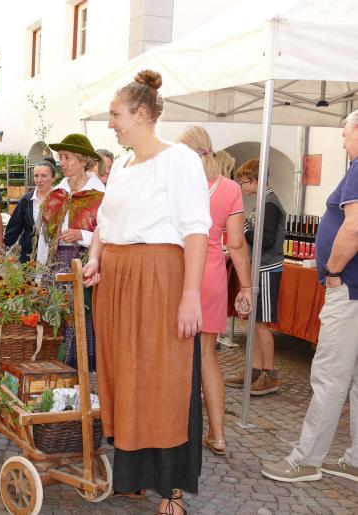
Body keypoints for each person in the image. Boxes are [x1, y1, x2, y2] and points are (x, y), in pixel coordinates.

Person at [82, 70, 210, 514]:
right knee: (125, 376)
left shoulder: (179, 160)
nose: (110, 124)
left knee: (162, 378)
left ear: (140, 114)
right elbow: (105, 223)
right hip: (117, 279)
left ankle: (172, 489)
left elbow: (196, 231)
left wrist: (190, 296)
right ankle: (134, 476)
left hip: (159, 278)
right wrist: (96, 258)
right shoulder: (121, 166)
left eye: (115, 115)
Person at [261, 110, 358, 484]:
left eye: (345, 134)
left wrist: (333, 271)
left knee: (330, 376)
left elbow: (353, 227)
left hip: (348, 288)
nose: (343, 142)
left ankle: (306, 459)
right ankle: (354, 459)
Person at [176, 125, 253, 456]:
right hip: (212, 276)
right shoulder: (230, 188)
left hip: (179, 271)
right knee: (208, 355)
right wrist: (246, 286)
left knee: (175, 354)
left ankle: (176, 430)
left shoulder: (177, 185)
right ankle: (218, 434)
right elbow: (236, 243)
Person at [37, 134, 104, 371]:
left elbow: (109, 233)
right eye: (61, 157)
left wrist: (82, 235)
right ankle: (57, 374)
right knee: (55, 320)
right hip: (55, 266)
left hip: (85, 266)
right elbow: (43, 238)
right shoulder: (56, 194)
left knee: (80, 319)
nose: (62, 163)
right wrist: (39, 275)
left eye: (67, 157)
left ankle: (81, 376)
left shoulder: (100, 195)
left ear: (83, 160)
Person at [224, 158, 286, 395]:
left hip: (268, 269)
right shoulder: (262, 203)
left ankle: (269, 374)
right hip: (260, 268)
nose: (241, 187)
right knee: (254, 322)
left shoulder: (269, 204)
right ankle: (255, 369)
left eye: (243, 182)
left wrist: (243, 230)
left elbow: (266, 240)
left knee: (261, 324)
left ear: (255, 181)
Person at [4, 159, 56, 262]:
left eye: (44, 176)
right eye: (36, 176)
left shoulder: (62, 199)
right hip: (29, 257)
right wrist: (4, 248)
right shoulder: (26, 200)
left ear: (53, 178)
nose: (39, 180)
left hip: (53, 255)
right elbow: (14, 228)